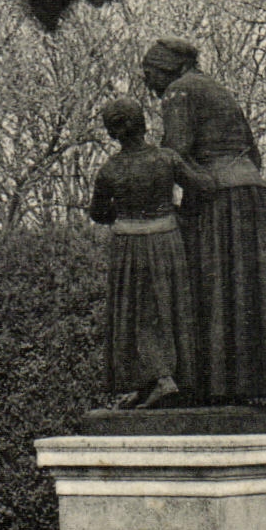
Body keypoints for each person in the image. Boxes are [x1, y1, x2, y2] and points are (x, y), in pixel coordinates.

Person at [144, 37, 266, 402]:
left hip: (218, 197)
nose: (150, 85)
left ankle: (209, 386)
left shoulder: (179, 92)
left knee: (213, 287)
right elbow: (254, 155)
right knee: (239, 288)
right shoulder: (219, 90)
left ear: (169, 68)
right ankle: (237, 385)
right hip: (252, 195)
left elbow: (174, 154)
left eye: (151, 75)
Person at [89, 98, 210, 408]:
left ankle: (156, 379)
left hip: (129, 247)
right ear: (142, 123)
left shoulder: (109, 170)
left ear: (113, 132)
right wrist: (181, 211)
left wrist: (125, 209)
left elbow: (99, 213)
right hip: (167, 241)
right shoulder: (166, 159)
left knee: (135, 314)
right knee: (168, 308)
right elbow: (202, 186)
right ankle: (164, 380)